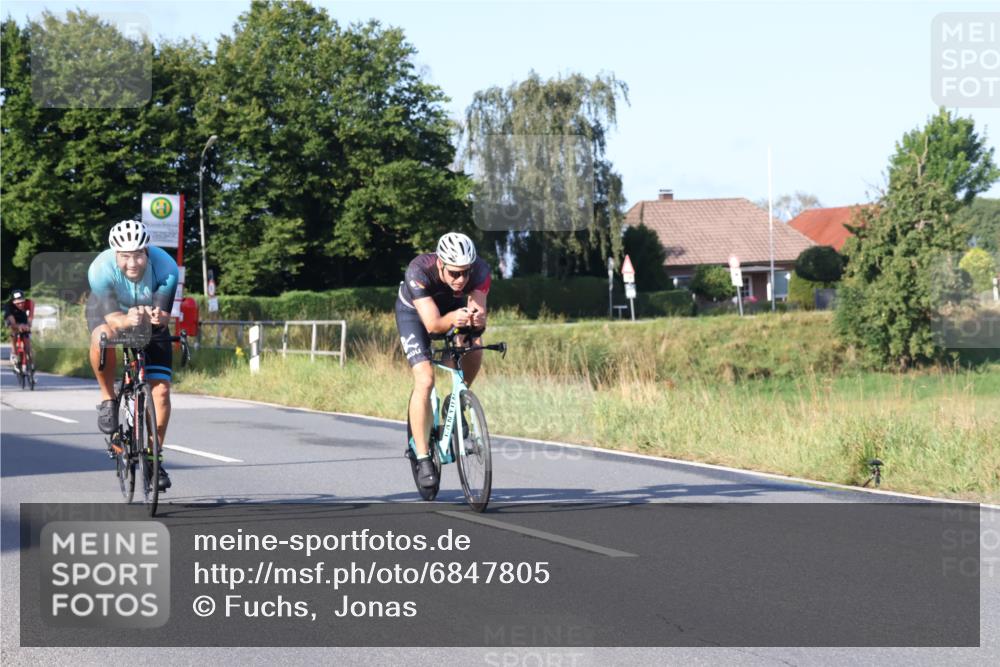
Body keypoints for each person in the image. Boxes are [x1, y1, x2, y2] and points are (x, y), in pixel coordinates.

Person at [87, 220, 178, 491]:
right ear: (116, 254)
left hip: (146, 316)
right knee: (102, 337)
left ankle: (153, 457)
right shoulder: (100, 270)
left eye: (138, 254)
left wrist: (155, 316)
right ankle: (108, 399)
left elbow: (162, 315)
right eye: (125, 256)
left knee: (160, 392)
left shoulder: (166, 267)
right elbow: (114, 319)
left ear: (147, 251)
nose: (132, 263)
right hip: (110, 314)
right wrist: (126, 320)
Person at [396, 232, 490, 488]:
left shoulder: (480, 271)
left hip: (451, 311)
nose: (461, 279)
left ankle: (456, 402)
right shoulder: (419, 270)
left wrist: (476, 322)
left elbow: (477, 313)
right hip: (416, 314)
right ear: (440, 265)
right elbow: (434, 325)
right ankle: (424, 455)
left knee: (474, 347)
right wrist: (454, 320)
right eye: (454, 273)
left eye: (466, 273)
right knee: (425, 380)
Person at [4, 288, 35, 370]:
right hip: (12, 318)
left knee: (27, 338)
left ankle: (31, 363)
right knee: (14, 330)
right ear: (13, 302)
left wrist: (28, 325)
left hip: (23, 317)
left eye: (22, 302)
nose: (20, 305)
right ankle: (14, 352)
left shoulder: (29, 303)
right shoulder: (8, 306)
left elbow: (30, 317)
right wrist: (18, 327)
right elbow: (13, 322)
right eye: (18, 303)